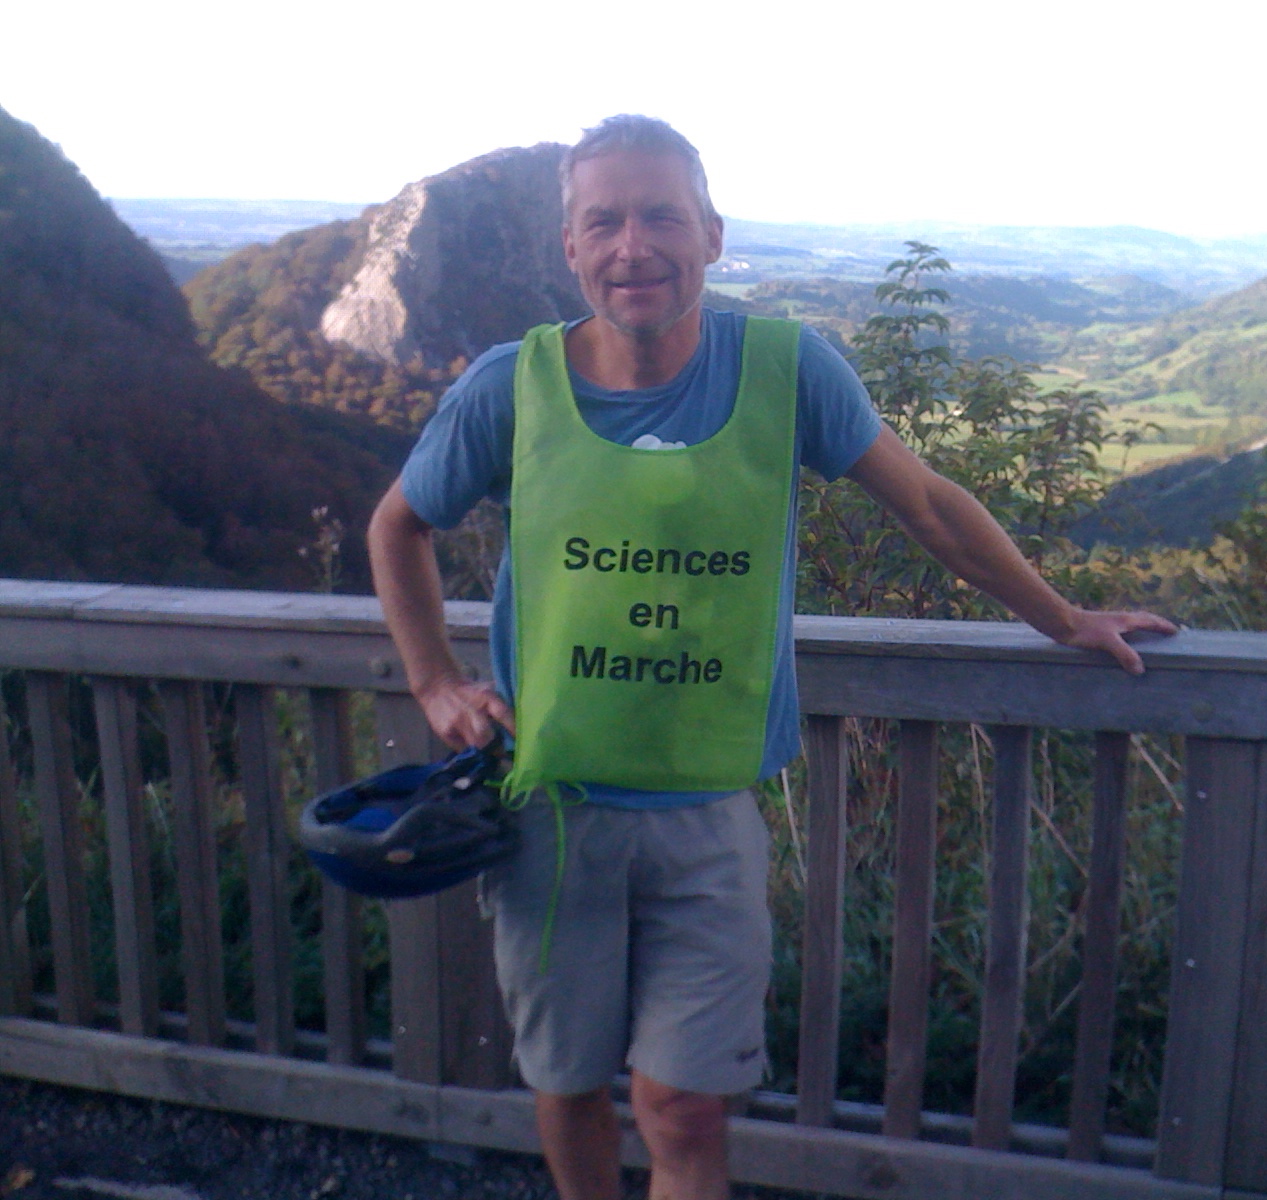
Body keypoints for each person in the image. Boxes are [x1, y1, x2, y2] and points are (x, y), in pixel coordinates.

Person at [367, 114, 1176, 1200]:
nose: (633, 246)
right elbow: (398, 526)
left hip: (708, 810)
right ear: (570, 248)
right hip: (549, 805)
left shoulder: (787, 369)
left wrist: (1063, 618)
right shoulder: (511, 385)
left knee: (684, 1105)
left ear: (711, 233)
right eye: (604, 222)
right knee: (566, 1086)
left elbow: (930, 507)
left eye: (662, 217)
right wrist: (432, 680)